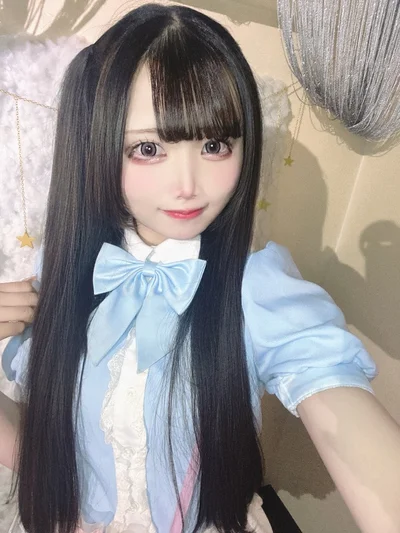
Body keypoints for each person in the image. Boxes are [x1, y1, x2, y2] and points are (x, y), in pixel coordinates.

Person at [0, 3, 399, 533]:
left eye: (214, 144)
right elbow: (43, 452)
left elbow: (333, 389)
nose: (188, 185)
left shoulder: (254, 286)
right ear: (93, 144)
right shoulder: (65, 273)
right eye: (148, 148)